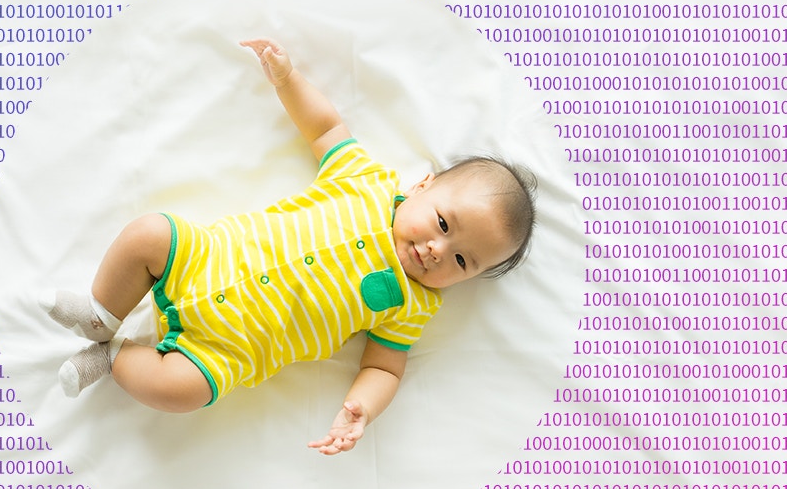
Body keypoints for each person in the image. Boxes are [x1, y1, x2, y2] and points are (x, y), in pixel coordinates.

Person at [39, 38, 536, 455]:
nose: (436, 250)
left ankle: (110, 359)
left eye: (462, 261)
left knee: (180, 392)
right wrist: (287, 79)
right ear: (423, 186)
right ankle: (102, 314)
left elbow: (384, 366)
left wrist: (361, 408)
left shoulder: (412, 307)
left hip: (228, 349)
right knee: (149, 233)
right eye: (444, 224)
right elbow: (326, 129)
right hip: (206, 258)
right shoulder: (365, 182)